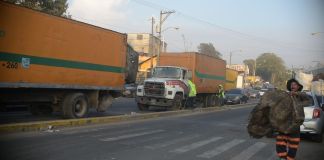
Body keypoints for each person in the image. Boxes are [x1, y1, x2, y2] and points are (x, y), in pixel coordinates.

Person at [276, 78, 307, 160]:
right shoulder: (286, 95)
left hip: (295, 126)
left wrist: (297, 94)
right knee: (280, 143)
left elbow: (308, 100)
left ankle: (289, 158)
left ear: (298, 87)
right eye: (291, 85)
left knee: (293, 146)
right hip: (284, 124)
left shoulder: (301, 96)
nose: (292, 86)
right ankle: (283, 158)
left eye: (295, 85)